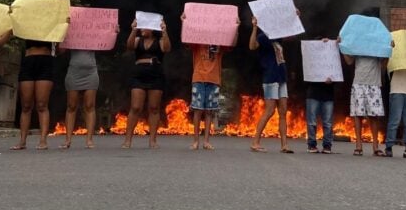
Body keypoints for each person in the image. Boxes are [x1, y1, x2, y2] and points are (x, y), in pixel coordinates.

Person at [181, 14, 239, 150]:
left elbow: (233, 43)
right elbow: (185, 39)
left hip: (214, 80)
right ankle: (196, 141)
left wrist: (236, 27)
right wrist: (184, 22)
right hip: (199, 78)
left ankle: (206, 141)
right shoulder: (198, 41)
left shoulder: (220, 42)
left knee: (209, 111)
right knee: (198, 110)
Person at [121, 19, 171, 149]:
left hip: (155, 75)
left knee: (154, 108)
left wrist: (164, 31)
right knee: (135, 107)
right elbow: (129, 46)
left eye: (144, 27)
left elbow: (167, 48)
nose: (142, 29)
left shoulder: (159, 41)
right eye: (141, 27)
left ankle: (152, 141)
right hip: (139, 76)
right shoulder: (138, 40)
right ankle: (127, 140)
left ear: (152, 29)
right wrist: (133, 29)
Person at [249, 16, 293, 153]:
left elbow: (292, 34)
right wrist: (255, 27)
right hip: (270, 78)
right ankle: (255, 142)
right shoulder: (263, 37)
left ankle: (284, 145)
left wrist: (294, 17)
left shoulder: (278, 38)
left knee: (283, 111)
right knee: (269, 111)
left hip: (281, 77)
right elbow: (252, 46)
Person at [11, 40, 55, 150]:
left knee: (42, 104)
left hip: (45, 60)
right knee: (26, 105)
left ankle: (43, 140)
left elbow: (61, 47)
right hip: (29, 60)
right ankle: (22, 141)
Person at [343, 54, 387, 156]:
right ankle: (358, 146)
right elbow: (349, 61)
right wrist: (342, 46)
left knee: (374, 116)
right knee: (358, 115)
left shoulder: (376, 43)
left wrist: (388, 49)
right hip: (359, 82)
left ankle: (376, 147)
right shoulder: (358, 42)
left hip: (374, 83)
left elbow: (384, 63)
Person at [59, 50, 99, 149]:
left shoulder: (94, 34)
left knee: (90, 105)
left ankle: (89, 139)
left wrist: (112, 34)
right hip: (74, 72)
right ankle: (68, 140)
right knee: (71, 106)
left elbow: (105, 40)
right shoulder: (71, 34)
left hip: (91, 72)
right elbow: (60, 50)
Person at [305, 38, 336, 154]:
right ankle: (311, 145)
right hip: (313, 92)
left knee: (327, 122)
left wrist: (332, 80)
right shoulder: (311, 57)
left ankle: (327, 146)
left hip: (328, 94)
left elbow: (337, 73)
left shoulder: (333, 59)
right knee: (312, 121)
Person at [384, 70, 406, 158]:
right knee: (395, 120)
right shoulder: (393, 57)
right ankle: (389, 147)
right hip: (396, 89)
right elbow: (388, 70)